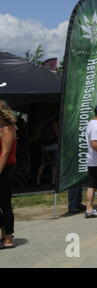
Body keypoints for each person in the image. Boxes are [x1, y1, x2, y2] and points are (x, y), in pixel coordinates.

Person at [0, 100, 17, 249]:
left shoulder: (6, 129)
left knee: (5, 204)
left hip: (5, 169)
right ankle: (5, 234)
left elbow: (5, 154)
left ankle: (8, 238)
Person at [35, 117, 58, 187]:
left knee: (42, 165)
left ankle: (37, 181)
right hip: (53, 146)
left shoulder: (42, 124)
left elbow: (37, 136)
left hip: (44, 147)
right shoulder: (53, 124)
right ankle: (53, 182)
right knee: (54, 165)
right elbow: (57, 133)